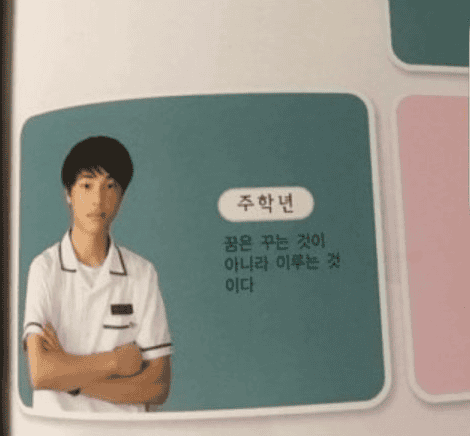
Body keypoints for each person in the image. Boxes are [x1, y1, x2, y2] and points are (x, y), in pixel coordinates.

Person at [23, 136, 172, 413]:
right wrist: (116, 362)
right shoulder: (44, 268)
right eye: (87, 185)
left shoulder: (142, 273)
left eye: (110, 186)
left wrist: (71, 380)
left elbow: (157, 386)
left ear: (121, 196)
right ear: (68, 194)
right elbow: (41, 372)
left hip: (125, 430)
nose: (98, 199)